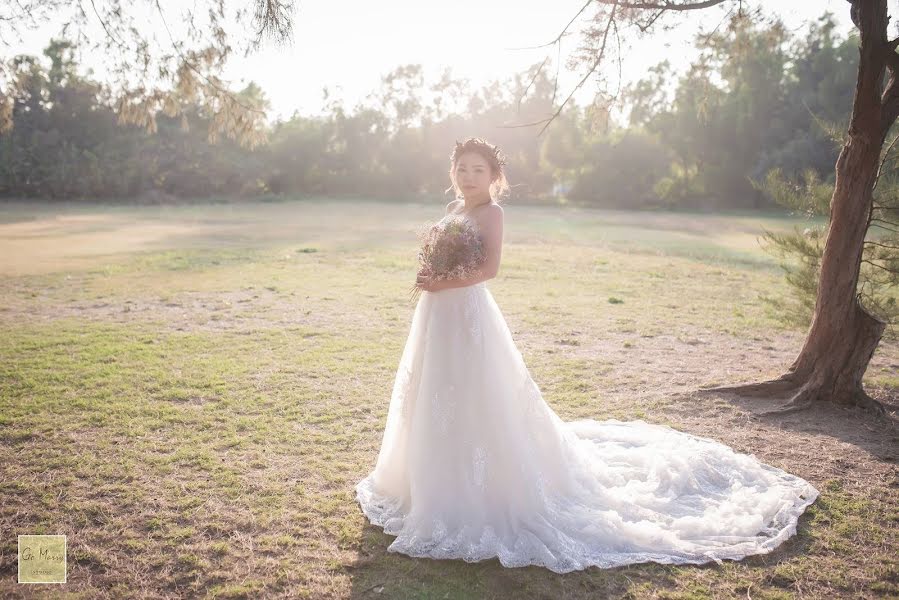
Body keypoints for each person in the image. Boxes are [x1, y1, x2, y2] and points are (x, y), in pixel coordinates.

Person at [354, 137, 819, 573]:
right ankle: (428, 482)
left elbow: (489, 269)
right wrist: (430, 272)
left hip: (467, 312)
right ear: (452, 172)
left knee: (478, 392)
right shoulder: (454, 206)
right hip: (438, 313)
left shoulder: (492, 213)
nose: (468, 176)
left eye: (478, 169)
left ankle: (480, 488)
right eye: (462, 168)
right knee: (437, 389)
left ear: (494, 176)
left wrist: (444, 282)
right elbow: (448, 255)